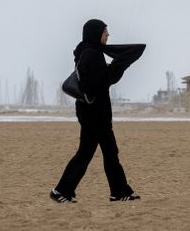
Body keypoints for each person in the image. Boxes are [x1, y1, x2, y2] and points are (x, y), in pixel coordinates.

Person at [51, 19, 144, 204]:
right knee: (101, 153)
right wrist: (112, 71)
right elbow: (91, 86)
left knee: (95, 153)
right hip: (95, 116)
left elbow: (97, 81)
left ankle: (66, 190)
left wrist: (110, 71)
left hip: (93, 114)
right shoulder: (90, 54)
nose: (108, 35)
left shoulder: (91, 52)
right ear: (95, 34)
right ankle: (115, 191)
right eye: (104, 32)